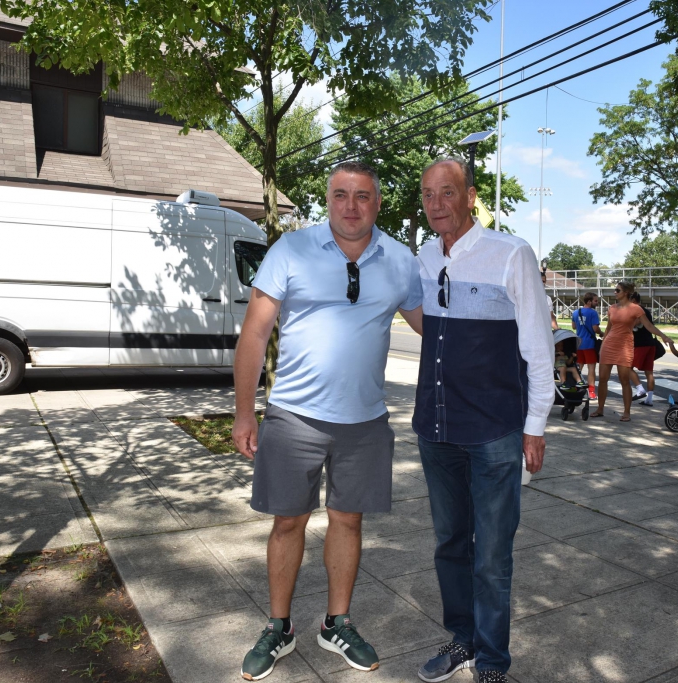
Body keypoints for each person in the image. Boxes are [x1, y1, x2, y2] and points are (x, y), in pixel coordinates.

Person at [231, 161, 424, 681]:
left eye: (362, 196)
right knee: (287, 521)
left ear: (378, 203)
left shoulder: (401, 260)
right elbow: (254, 334)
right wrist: (245, 412)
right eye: (341, 194)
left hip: (366, 421)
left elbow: (432, 327)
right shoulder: (291, 250)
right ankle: (278, 627)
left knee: (348, 521)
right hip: (293, 416)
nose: (351, 206)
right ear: (327, 199)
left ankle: (336, 623)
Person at [413, 157, 552, 683]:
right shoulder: (423, 257)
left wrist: (535, 425)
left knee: (492, 556)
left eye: (447, 192)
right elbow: (425, 320)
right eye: (428, 194)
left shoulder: (510, 253)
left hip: (495, 431)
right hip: (437, 429)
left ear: (470, 196)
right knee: (450, 545)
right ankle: (463, 639)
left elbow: (537, 345)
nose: (436, 204)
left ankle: (492, 660)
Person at [591, 282, 672, 422]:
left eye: (617, 290)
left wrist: (663, 336)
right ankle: (600, 409)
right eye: (615, 290)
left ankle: (627, 412)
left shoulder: (636, 309)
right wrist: (602, 345)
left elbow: (649, 326)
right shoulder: (612, 308)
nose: (615, 292)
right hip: (609, 345)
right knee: (603, 379)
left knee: (624, 380)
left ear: (626, 292)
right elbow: (609, 328)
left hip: (625, 346)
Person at [627, 292, 657, 407]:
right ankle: (649, 399)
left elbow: (633, 324)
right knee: (649, 372)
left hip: (640, 344)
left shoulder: (638, 311)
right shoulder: (647, 311)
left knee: (627, 367)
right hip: (650, 343)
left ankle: (640, 389)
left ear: (633, 300)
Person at [571, 292, 603, 399]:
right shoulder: (593, 313)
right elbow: (595, 328)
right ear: (589, 302)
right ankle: (591, 391)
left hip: (578, 343)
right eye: (595, 301)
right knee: (591, 368)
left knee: (578, 367)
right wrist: (601, 333)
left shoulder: (576, 312)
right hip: (589, 343)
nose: (597, 303)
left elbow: (574, 326)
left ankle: (576, 388)